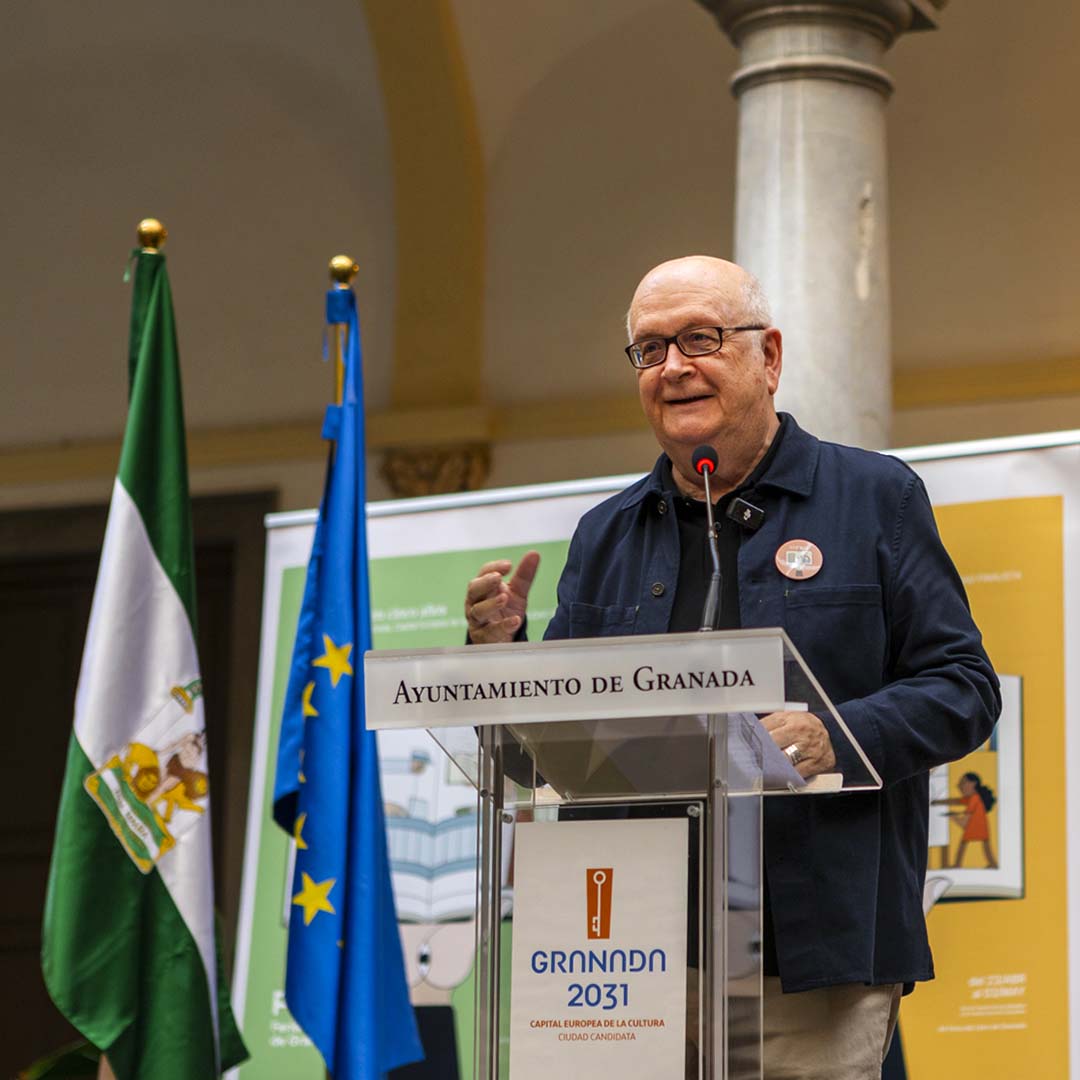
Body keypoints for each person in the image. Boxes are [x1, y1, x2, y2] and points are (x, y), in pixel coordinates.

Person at [464, 255, 1001, 1079]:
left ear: (770, 356)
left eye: (701, 339)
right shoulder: (606, 535)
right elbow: (543, 751)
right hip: (623, 961)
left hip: (809, 957)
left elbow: (964, 688)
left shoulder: (874, 498)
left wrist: (835, 734)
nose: (674, 367)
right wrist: (500, 662)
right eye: (650, 350)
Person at [934, 771, 998, 868]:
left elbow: (964, 822)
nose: (959, 786)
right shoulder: (972, 798)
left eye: (963, 782)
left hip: (976, 827)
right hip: (978, 826)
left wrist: (952, 817)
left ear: (973, 784)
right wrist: (937, 802)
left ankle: (958, 865)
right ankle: (993, 865)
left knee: (965, 845)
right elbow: (955, 801)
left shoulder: (974, 799)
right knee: (983, 847)